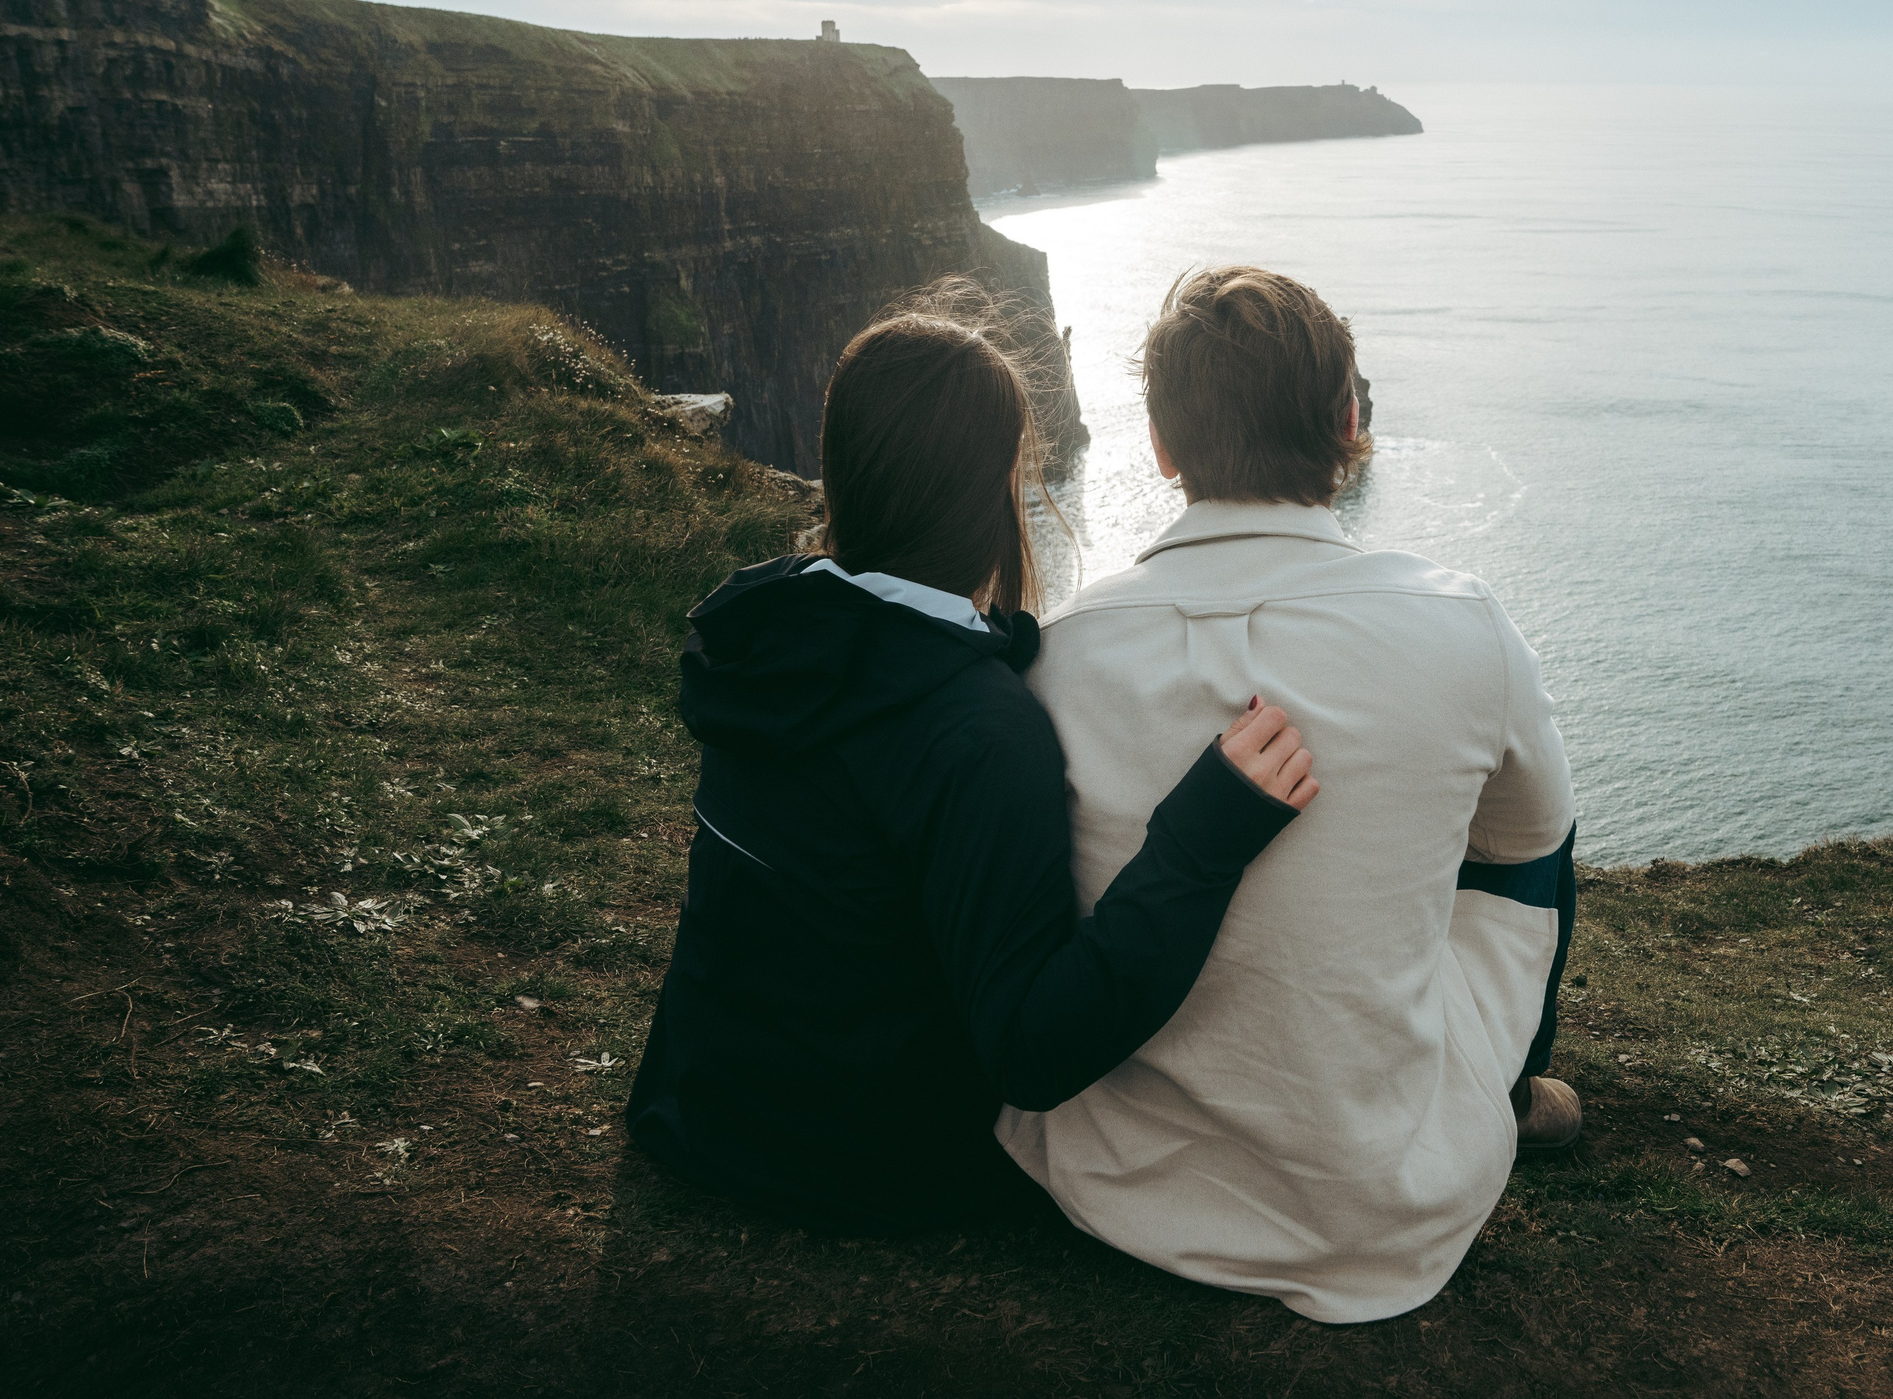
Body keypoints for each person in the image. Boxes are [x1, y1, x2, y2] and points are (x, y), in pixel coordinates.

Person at [626, 285, 1320, 1234]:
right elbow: (1033, 1050)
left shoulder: (764, 628)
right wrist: (1205, 833)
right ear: (999, 486)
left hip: (697, 1109)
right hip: (860, 1171)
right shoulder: (977, 729)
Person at [997, 266, 1578, 1324]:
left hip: (1118, 1185)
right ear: (1348, 423)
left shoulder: (1063, 652)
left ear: (1165, 447)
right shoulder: (1464, 627)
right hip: (1380, 1211)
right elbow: (1528, 839)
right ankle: (1512, 1089)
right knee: (1533, 837)